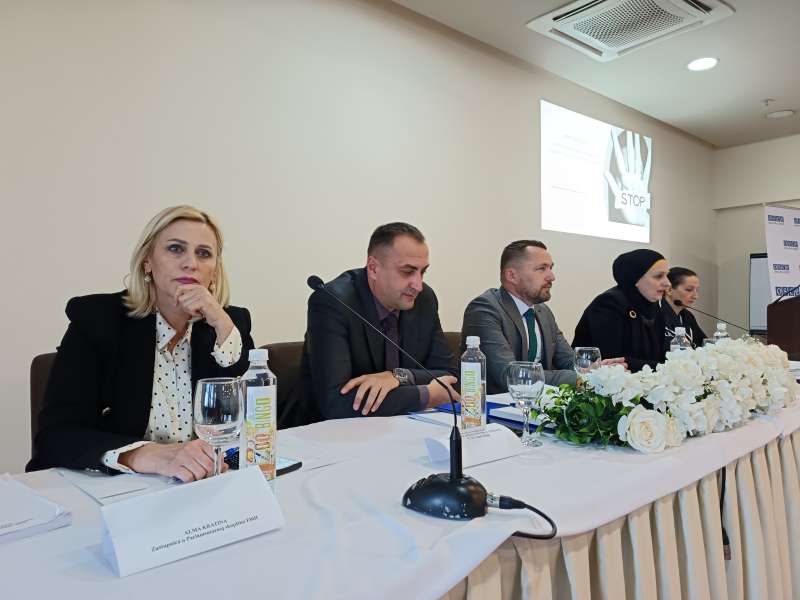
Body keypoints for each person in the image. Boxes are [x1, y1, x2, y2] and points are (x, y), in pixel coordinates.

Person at [27, 206, 254, 481]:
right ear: (147, 261)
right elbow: (56, 436)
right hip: (115, 486)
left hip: (200, 484)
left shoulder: (229, 324)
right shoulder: (98, 319)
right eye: (175, 249)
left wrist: (222, 324)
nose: (190, 263)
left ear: (214, 272)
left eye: (204, 253)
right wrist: (145, 455)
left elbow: (252, 423)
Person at [297, 222, 458, 420]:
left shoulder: (424, 299)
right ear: (373, 268)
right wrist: (426, 395)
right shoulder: (333, 302)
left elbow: (452, 376)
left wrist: (399, 376)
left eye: (422, 272)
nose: (418, 285)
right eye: (407, 271)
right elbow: (337, 404)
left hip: (405, 427)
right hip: (331, 432)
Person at [461, 240, 624, 394]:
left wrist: (599, 370)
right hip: (496, 407)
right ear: (511, 275)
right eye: (541, 269)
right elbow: (510, 374)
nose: (551, 276)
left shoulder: (543, 311)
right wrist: (583, 378)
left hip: (540, 403)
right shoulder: (484, 309)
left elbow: (568, 361)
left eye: (550, 268)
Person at [573, 249, 670, 372]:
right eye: (658, 276)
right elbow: (612, 362)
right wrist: (664, 368)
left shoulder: (654, 307)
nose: (667, 283)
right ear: (635, 277)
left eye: (667, 276)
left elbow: (660, 357)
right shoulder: (608, 304)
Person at [661, 267, 707, 350]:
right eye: (689, 290)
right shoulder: (654, 314)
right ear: (669, 290)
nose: (695, 296)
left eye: (697, 290)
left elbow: (705, 344)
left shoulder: (688, 316)